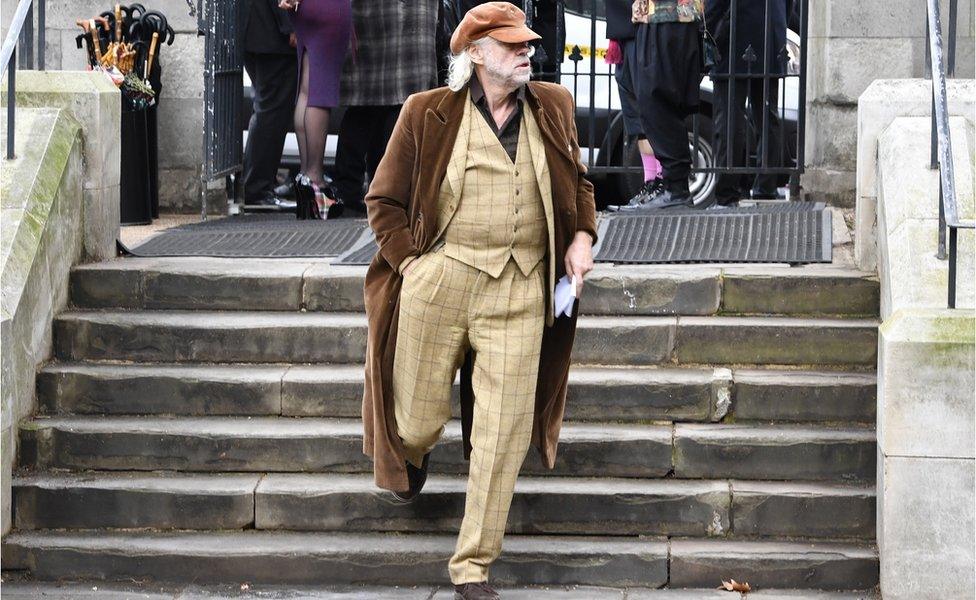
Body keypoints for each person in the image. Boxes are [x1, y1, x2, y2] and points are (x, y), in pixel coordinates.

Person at [361, 4, 597, 598]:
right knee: (415, 422)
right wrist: (412, 266)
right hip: (442, 280)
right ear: (475, 53)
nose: (527, 52)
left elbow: (581, 184)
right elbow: (383, 201)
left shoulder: (553, 107)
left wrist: (582, 238)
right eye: (512, 45)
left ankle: (472, 566)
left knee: (503, 431)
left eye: (527, 44)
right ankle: (411, 457)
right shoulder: (428, 113)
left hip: (521, 288)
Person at [332, 0, 439, 216]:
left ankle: (354, 192)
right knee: (395, 106)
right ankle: (388, 193)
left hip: (376, 18)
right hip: (406, 19)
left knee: (369, 105)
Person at [706, 0, 788, 208]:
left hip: (735, 34)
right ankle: (766, 187)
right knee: (767, 115)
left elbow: (714, 5)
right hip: (770, 33)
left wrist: (706, 30)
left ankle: (728, 192)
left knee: (729, 118)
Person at [278, 0, 352, 218]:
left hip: (302, 9)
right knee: (320, 93)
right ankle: (316, 181)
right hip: (327, 7)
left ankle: (305, 179)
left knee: (306, 90)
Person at [630, 0, 704, 210]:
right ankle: (674, 186)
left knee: (658, 100)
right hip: (660, 18)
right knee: (655, 102)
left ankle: (676, 188)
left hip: (668, 19)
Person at [604, 0, 664, 211]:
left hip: (642, 34)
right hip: (624, 36)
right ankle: (651, 183)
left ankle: (660, 183)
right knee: (637, 123)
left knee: (648, 118)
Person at [241, 0, 297, 210]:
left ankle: (258, 186)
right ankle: (257, 188)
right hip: (270, 33)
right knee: (272, 112)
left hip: (259, 29)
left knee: (268, 110)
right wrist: (289, 26)